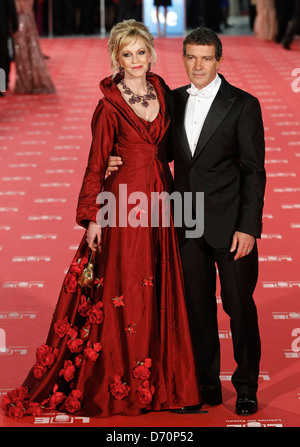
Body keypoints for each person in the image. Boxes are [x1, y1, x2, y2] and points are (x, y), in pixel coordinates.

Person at [1, 19, 201, 419]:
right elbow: (96, 165)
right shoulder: (108, 105)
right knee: (127, 293)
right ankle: (123, 384)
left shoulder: (163, 90)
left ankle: (169, 385)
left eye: (140, 52)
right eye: (126, 54)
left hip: (161, 200)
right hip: (123, 204)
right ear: (116, 57)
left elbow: (171, 146)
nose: (135, 61)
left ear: (151, 52)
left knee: (159, 288)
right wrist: (93, 217)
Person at [108, 27, 266, 416]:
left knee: (239, 307)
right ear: (182, 58)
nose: (198, 65)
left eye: (206, 58)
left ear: (219, 60)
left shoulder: (244, 104)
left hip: (230, 227)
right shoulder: (172, 100)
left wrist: (248, 227)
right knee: (195, 310)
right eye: (191, 57)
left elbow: (254, 172)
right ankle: (205, 387)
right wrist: (116, 159)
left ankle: (245, 386)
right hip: (186, 223)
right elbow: (152, 148)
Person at [13, 0, 55, 94]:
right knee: (31, 50)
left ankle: (25, 83)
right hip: (29, 19)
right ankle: (30, 81)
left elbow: (17, 8)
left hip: (20, 21)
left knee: (22, 52)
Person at [0, 0, 18, 96]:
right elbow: (11, 8)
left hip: (3, 27)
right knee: (2, 57)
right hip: (2, 28)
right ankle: (2, 84)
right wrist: (15, 25)